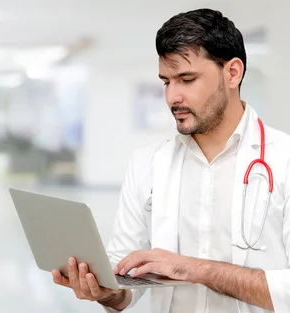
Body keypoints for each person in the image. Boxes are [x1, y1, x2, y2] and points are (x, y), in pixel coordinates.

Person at [51, 8, 290, 313]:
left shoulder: (283, 160)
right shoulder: (147, 163)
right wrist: (104, 291)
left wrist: (193, 268)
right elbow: (125, 287)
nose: (171, 97)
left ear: (232, 73)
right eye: (166, 82)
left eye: (186, 79)